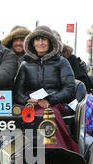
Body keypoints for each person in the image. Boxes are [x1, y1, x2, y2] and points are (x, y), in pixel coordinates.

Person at [14, 25, 79, 153]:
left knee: (45, 116)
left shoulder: (62, 62)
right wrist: (28, 100)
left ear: (50, 42)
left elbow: (69, 88)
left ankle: (51, 154)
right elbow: (17, 91)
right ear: (32, 42)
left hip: (53, 104)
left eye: (44, 39)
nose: (41, 42)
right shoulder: (24, 64)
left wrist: (50, 100)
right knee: (14, 116)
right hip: (30, 104)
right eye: (37, 39)